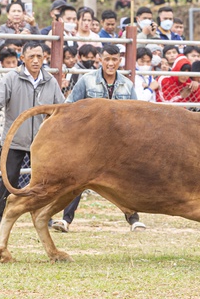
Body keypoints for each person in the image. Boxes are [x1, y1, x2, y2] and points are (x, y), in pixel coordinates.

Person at [51, 45, 143, 233]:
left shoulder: (127, 84)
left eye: (115, 59)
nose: (111, 63)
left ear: (120, 61)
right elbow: (70, 106)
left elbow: (136, 115)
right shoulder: (86, 80)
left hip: (118, 143)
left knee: (127, 180)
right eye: (107, 59)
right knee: (79, 180)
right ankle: (65, 219)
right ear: (99, 59)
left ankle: (134, 219)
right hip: (90, 142)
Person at [0, 42, 65, 228]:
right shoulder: (11, 78)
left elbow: (61, 109)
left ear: (45, 58)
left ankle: (43, 214)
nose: (35, 61)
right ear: (22, 58)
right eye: (31, 57)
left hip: (43, 141)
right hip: (15, 138)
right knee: (9, 177)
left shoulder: (50, 81)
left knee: (43, 181)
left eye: (39, 57)